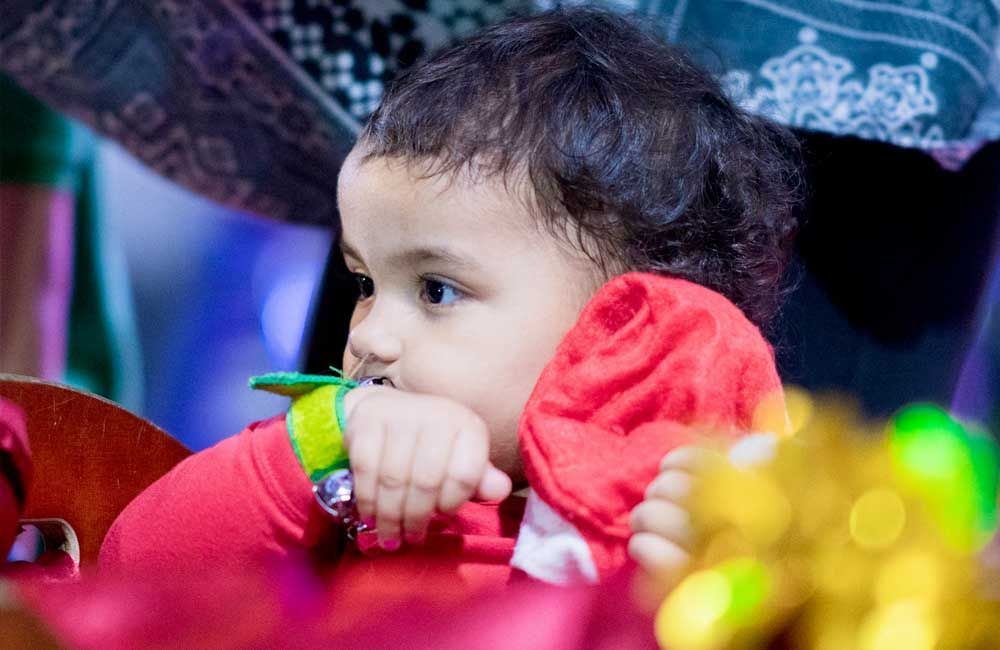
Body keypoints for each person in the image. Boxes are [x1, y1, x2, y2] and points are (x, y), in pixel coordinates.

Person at [99, 8, 800, 589]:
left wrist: (719, 584)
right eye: (366, 283)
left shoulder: (712, 506)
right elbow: (131, 574)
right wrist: (311, 457)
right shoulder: (347, 479)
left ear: (628, 327)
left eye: (437, 290)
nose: (371, 338)